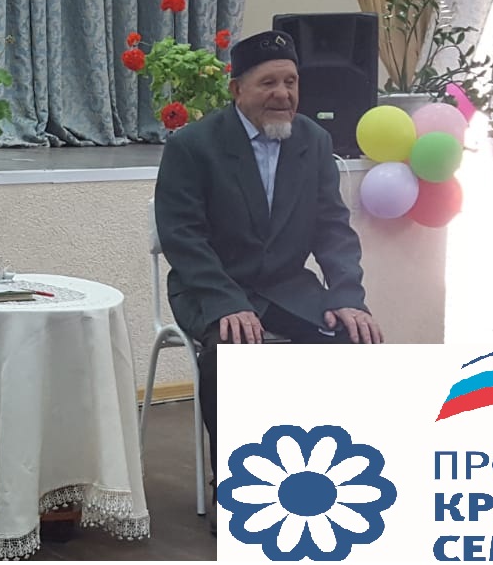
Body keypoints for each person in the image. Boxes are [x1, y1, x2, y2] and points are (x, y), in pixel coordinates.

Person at [153, 29, 383, 456]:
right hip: (212, 286)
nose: (283, 94)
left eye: (290, 82)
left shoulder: (313, 141)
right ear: (236, 90)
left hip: (287, 286)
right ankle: (239, 480)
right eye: (268, 83)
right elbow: (183, 236)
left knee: (356, 339)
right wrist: (226, 302)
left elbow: (332, 227)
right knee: (230, 356)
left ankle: (340, 466)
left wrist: (347, 294)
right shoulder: (192, 145)